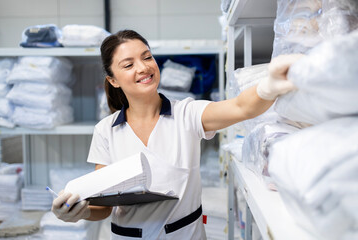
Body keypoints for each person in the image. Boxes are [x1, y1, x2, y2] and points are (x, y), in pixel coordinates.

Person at [51, 29, 302, 239]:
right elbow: (103, 205)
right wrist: (79, 211)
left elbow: (240, 107)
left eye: (147, 57)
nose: (143, 67)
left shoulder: (187, 113)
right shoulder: (106, 130)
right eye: (128, 65)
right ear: (113, 80)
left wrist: (268, 87)